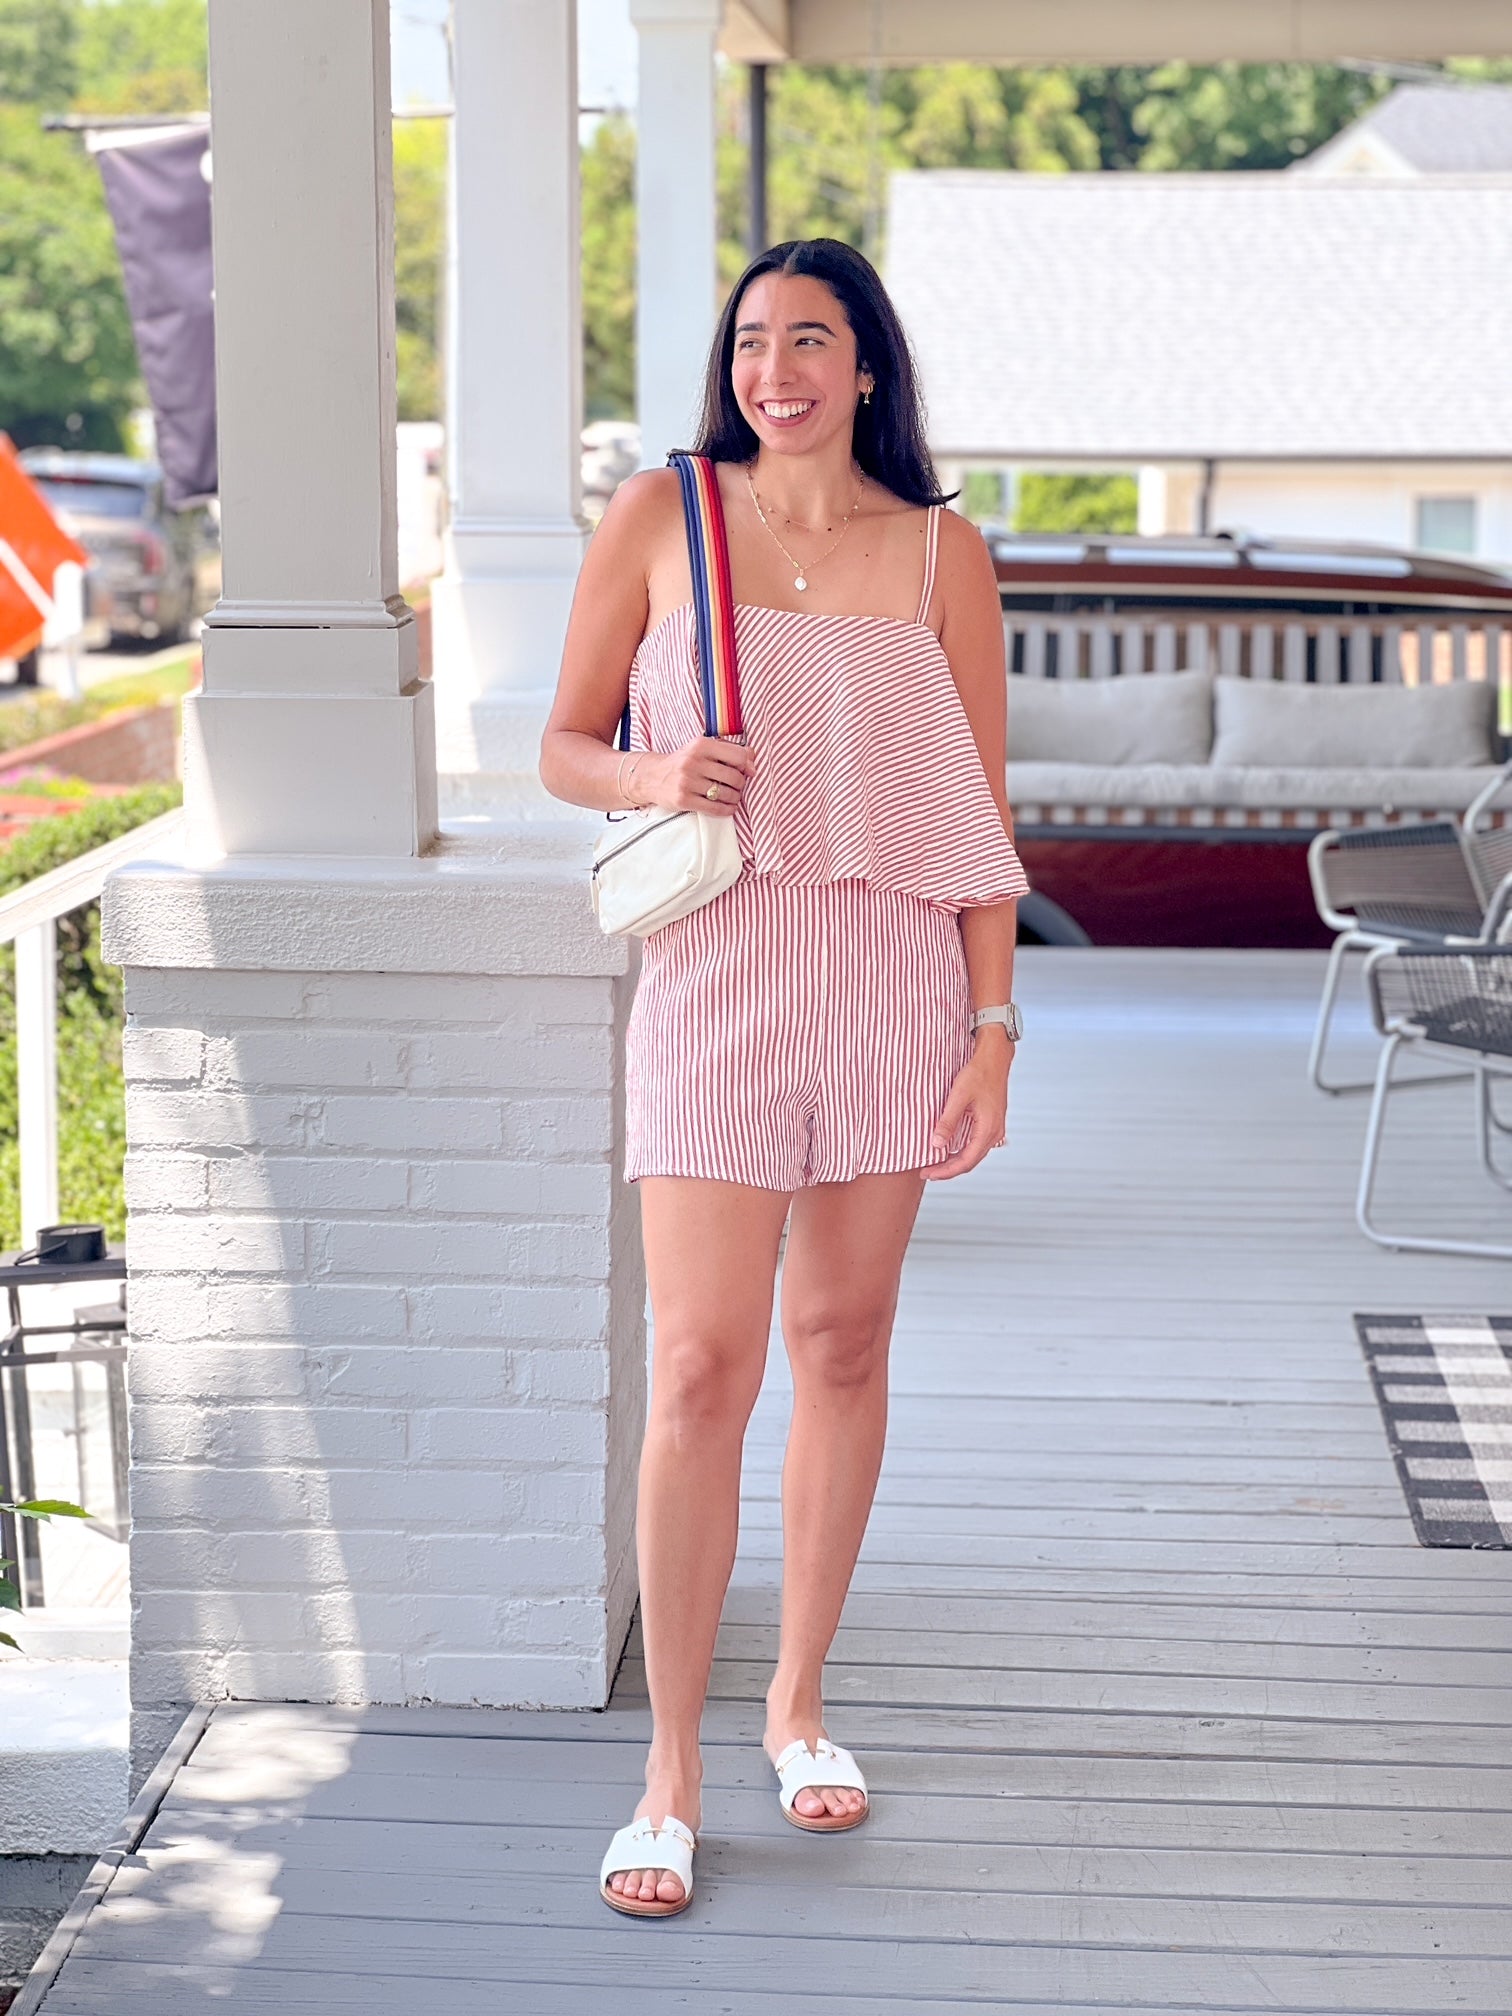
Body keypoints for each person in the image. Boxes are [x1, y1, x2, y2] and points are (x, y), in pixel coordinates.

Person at [539, 237, 1028, 1918]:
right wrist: (656, 767)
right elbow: (561, 745)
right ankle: (668, 1770)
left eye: (811, 339)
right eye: (752, 340)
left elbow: (981, 820)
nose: (777, 369)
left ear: (869, 367)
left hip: (891, 979)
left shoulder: (943, 553)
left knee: (844, 1340)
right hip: (716, 979)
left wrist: (993, 1030)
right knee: (699, 1367)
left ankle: (799, 1705)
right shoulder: (659, 516)